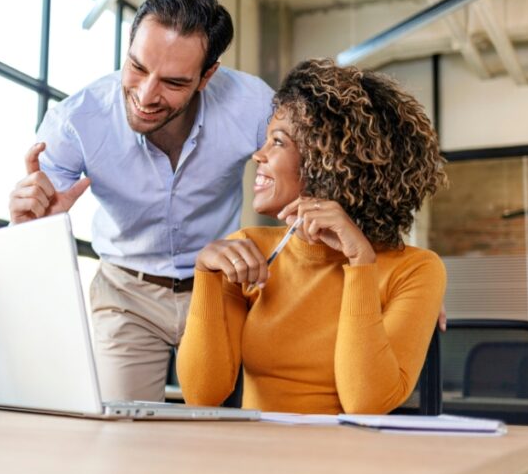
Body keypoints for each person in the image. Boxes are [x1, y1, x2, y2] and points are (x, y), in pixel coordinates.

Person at [8, 0, 274, 402]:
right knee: (121, 436)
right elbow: (28, 245)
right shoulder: (77, 120)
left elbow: (301, 177)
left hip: (220, 290)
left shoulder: (252, 105)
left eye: (173, 82)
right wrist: (33, 222)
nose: (147, 95)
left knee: (225, 434)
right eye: (136, 67)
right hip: (125, 294)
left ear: (207, 76)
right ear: (129, 45)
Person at [176, 59, 448, 415]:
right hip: (258, 459)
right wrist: (206, 275)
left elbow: (366, 403)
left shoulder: (415, 269)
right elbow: (202, 394)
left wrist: (361, 263)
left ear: (329, 162)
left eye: (278, 142)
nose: (258, 154)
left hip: (350, 463)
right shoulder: (248, 251)